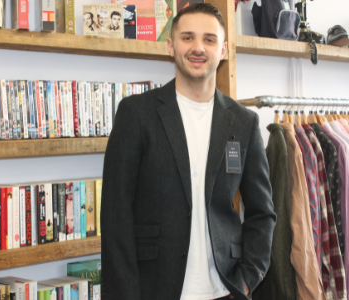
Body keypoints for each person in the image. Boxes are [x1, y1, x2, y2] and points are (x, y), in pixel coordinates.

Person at [101, 3, 276, 300]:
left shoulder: (245, 122)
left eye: (209, 39)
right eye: (187, 38)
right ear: (171, 46)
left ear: (223, 50)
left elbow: (262, 213)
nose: (198, 47)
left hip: (225, 290)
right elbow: (116, 219)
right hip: (153, 290)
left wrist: (246, 280)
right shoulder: (136, 114)